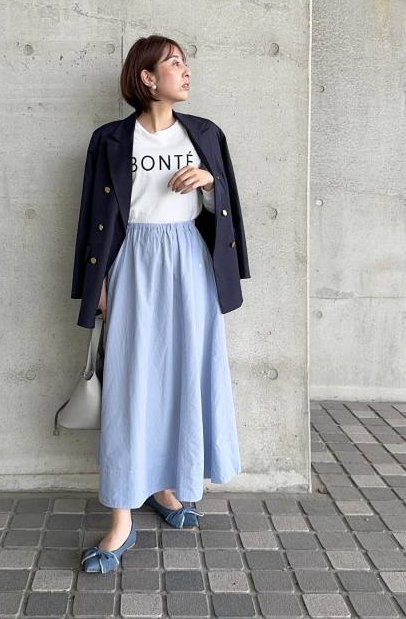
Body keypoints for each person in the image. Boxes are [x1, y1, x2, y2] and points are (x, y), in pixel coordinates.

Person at [73, 35, 251, 574]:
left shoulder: (204, 133)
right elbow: (93, 218)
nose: (186, 71)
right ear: (147, 77)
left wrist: (209, 184)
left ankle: (167, 487)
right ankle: (121, 519)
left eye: (185, 62)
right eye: (174, 63)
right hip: (133, 262)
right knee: (130, 384)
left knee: (184, 376)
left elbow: (226, 206)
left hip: (190, 263)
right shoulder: (109, 140)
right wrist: (97, 285)